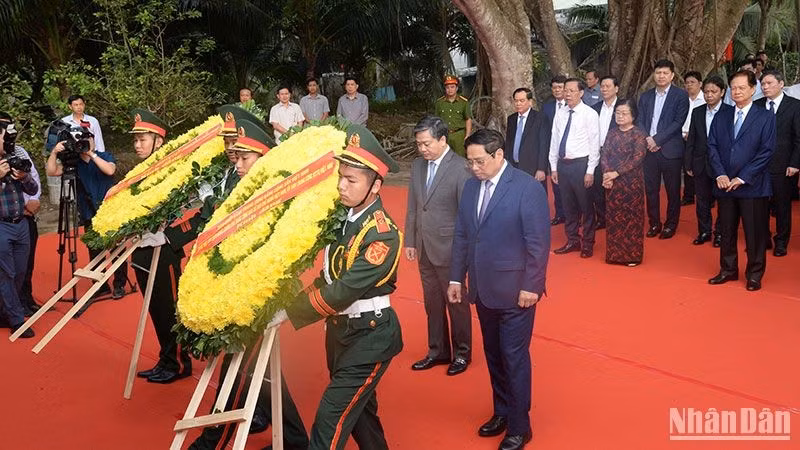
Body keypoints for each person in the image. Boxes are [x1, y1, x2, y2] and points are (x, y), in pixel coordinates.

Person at [270, 124, 402, 450]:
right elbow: (327, 278)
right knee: (361, 417)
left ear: (375, 185)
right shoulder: (344, 219)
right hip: (342, 334)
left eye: (351, 180)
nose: (341, 185)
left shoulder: (382, 234)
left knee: (329, 422)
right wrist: (286, 302)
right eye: (341, 177)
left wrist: (290, 312)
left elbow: (343, 290)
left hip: (370, 337)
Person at [181, 116, 309, 450]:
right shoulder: (241, 192)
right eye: (236, 157)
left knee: (238, 368)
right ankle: (295, 440)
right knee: (258, 370)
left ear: (264, 157)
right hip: (237, 293)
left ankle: (212, 441)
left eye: (245, 158)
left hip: (260, 297)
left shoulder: (279, 195)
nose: (237, 164)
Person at [448, 128, 550, 450]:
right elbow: (463, 235)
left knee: (514, 357)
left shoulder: (526, 188)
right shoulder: (470, 187)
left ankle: (520, 426)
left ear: (499, 155)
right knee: (493, 354)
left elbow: (538, 243)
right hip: (482, 288)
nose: (474, 168)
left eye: (480, 161)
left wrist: (532, 286)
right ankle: (502, 412)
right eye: (470, 162)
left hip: (517, 292)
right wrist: (456, 278)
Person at [114, 109, 192, 384]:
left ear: (159, 141)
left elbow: (194, 209)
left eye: (142, 139)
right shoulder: (139, 172)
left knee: (169, 309)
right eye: (135, 140)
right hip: (142, 248)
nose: (137, 145)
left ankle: (179, 362)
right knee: (155, 309)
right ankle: (166, 358)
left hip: (164, 249)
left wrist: (169, 235)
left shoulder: (173, 172)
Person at [404, 116, 472, 376]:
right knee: (432, 303)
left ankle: (462, 353)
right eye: (419, 144)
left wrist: (464, 253)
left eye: (427, 143)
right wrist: (410, 240)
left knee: (456, 302)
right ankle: (438, 351)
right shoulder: (417, 166)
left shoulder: (460, 168)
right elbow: (414, 206)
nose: (422, 149)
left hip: (449, 247)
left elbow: (466, 215)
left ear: (442, 140)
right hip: (424, 246)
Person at [707, 70, 775, 292]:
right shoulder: (722, 115)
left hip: (752, 186)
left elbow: (767, 151)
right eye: (733, 88)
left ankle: (754, 274)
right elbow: (712, 146)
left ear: (753, 89)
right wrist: (720, 174)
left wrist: (743, 177)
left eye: (741, 88)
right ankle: (728, 269)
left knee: (754, 233)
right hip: (725, 184)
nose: (736, 92)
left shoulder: (765, 117)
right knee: (727, 231)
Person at [46, 112, 127, 300]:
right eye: (81, 140)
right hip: (89, 212)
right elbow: (52, 172)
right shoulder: (74, 163)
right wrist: (54, 152)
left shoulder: (104, 156)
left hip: (110, 211)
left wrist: (91, 153)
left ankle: (119, 284)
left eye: (87, 138)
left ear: (93, 140)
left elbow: (110, 170)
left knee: (117, 250)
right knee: (95, 251)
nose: (84, 142)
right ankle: (100, 285)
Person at [636, 59, 689, 240]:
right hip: (649, 150)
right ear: (654, 75)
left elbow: (678, 122)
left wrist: (657, 140)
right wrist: (648, 140)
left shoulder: (680, 96)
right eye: (658, 73)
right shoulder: (645, 96)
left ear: (672, 75)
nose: (661, 76)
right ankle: (654, 223)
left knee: (673, 191)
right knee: (651, 190)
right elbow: (640, 120)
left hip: (670, 150)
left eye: (665, 73)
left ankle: (670, 225)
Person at [549, 78, 601, 258]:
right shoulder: (560, 113)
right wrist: (553, 167)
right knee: (568, 206)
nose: (568, 94)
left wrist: (590, 171)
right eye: (566, 90)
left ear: (581, 93)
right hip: (563, 165)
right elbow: (554, 140)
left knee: (586, 206)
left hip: (581, 165)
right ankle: (572, 240)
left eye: (572, 91)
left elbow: (594, 144)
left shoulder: (589, 114)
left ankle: (588, 243)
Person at [0, 114, 38, 337]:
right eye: (4, 137)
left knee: (20, 273)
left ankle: (5, 311)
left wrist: (23, 176)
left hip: (21, 223)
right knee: (6, 273)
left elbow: (33, 189)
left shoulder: (16, 156)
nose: (8, 141)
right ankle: (16, 320)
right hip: (1, 226)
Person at [755, 70, 800, 256]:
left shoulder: (795, 106)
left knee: (782, 206)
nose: (765, 87)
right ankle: (763, 238)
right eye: (763, 84)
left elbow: (799, 138)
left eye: (769, 83)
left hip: (784, 165)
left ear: (781, 84)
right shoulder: (756, 105)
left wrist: (795, 163)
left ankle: (781, 241)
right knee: (759, 206)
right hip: (758, 166)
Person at [685, 76, 731, 247]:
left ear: (722, 92)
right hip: (700, 163)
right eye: (706, 92)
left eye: (714, 91)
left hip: (722, 165)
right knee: (702, 201)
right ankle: (704, 231)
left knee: (723, 201)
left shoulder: (730, 112)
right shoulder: (697, 111)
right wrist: (688, 163)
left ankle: (720, 233)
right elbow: (692, 139)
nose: (709, 95)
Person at [601, 99, 647, 266]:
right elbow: (604, 154)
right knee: (614, 218)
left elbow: (637, 159)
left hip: (631, 184)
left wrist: (616, 173)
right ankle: (614, 255)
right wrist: (607, 174)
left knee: (631, 220)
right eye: (617, 113)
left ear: (633, 115)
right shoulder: (612, 133)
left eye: (624, 113)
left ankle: (632, 256)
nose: (620, 116)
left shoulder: (639, 134)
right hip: (612, 183)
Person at [591, 75, 620, 230]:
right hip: (597, 152)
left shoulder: (624, 107)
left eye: (608, 86)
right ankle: (602, 218)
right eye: (602, 86)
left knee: (616, 188)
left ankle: (617, 218)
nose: (604, 89)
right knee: (598, 187)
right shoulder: (594, 108)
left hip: (617, 154)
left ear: (616, 88)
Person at [504, 87, 550, 184]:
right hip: (514, 166)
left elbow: (544, 145)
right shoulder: (511, 119)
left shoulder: (540, 118)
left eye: (522, 101)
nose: (518, 104)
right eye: (516, 101)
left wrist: (541, 168)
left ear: (530, 102)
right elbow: (509, 143)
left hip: (533, 168)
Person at [541, 75, 568, 226]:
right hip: (553, 152)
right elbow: (544, 131)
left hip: (571, 152)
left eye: (560, 87)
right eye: (554, 87)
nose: (557, 90)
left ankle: (577, 215)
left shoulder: (573, 105)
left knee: (573, 186)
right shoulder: (547, 107)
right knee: (556, 185)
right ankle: (560, 214)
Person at [681, 71, 706, 206]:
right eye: (687, 83)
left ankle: (707, 197)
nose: (689, 85)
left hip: (699, 139)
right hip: (681, 137)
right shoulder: (682, 99)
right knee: (686, 167)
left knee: (701, 168)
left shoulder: (705, 99)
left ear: (700, 84)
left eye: (692, 82)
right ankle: (688, 196)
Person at [434, 75, 473, 156]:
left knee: (460, 158)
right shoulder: (439, 103)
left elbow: (468, 119)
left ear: (457, 88)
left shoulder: (463, 102)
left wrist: (467, 135)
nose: (450, 90)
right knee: (444, 156)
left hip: (459, 135)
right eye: (447, 87)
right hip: (444, 135)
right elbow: (436, 120)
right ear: (445, 89)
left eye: (452, 87)